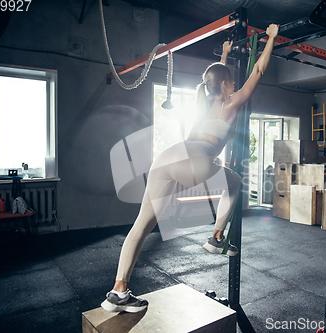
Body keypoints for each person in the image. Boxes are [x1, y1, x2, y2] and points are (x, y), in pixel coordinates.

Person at [101, 23, 279, 313]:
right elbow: (258, 71)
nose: (234, 85)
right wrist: (270, 38)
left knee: (141, 226)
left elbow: (214, 80)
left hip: (166, 158)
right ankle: (216, 237)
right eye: (231, 81)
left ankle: (118, 292)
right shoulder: (231, 103)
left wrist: (223, 55)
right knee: (233, 183)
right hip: (195, 158)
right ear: (225, 86)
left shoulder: (202, 103)